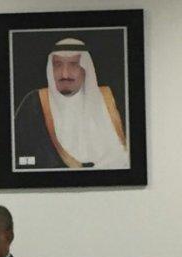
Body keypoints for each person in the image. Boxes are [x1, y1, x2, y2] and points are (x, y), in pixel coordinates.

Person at [14, 38, 129, 170]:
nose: (65, 74)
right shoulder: (34, 103)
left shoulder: (112, 99)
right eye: (58, 65)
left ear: (85, 68)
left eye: (74, 64)